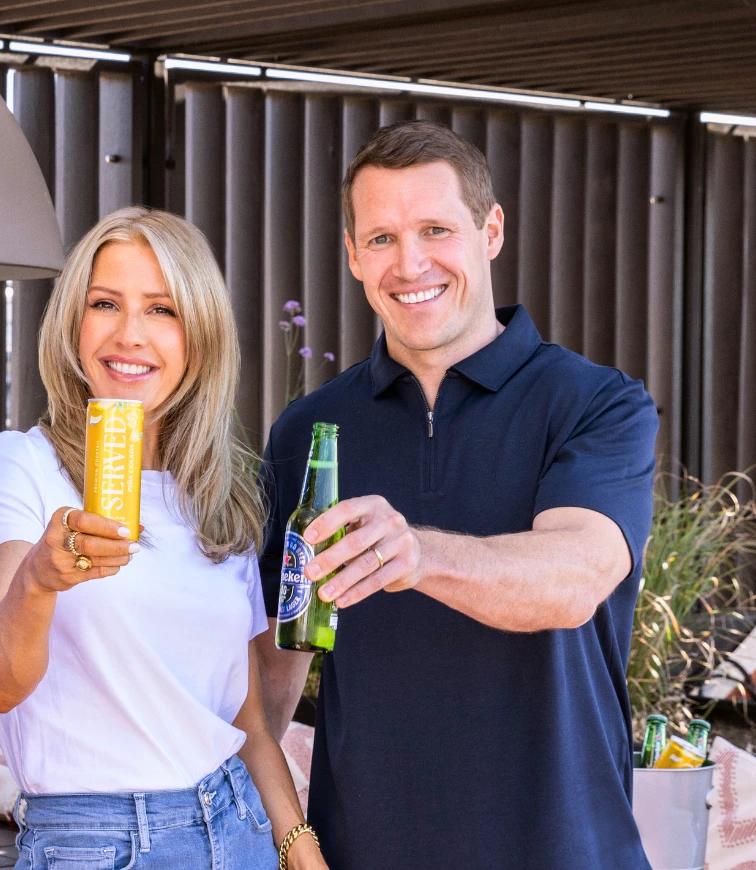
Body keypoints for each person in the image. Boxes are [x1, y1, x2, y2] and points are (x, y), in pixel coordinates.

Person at [253, 120, 658, 869]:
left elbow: (574, 577)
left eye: (435, 229)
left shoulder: (596, 404)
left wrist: (415, 555)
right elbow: (266, 676)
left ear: (491, 230)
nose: (410, 264)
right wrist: (289, 833)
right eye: (380, 238)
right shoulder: (309, 430)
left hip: (568, 853)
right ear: (352, 254)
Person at [0, 207, 326, 870]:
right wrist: (40, 580)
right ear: (73, 322)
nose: (129, 335)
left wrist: (299, 846)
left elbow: (248, 727)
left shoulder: (215, 500)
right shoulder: (23, 468)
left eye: (161, 309)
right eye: (105, 304)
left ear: (198, 335)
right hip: (97, 844)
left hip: (236, 829)